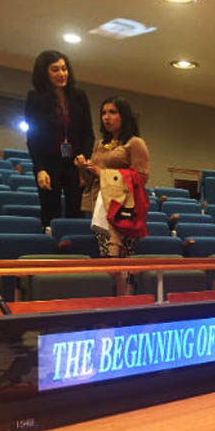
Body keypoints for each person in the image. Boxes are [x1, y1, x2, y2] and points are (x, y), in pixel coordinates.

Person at [77, 96, 149, 294]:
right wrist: (83, 168)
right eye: (103, 113)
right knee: (105, 257)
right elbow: (90, 181)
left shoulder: (135, 143)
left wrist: (103, 173)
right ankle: (110, 300)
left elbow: (141, 178)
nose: (106, 117)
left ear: (123, 116)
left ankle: (121, 301)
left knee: (119, 259)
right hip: (100, 206)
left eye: (112, 112)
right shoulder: (99, 144)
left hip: (122, 208)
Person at [25, 50, 95, 228]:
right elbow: (33, 138)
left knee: (76, 213)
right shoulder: (35, 98)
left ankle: (73, 244)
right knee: (50, 212)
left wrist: (84, 159)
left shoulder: (79, 96)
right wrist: (40, 169)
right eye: (55, 70)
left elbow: (89, 134)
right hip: (49, 164)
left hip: (75, 165)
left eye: (64, 68)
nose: (62, 74)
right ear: (44, 73)